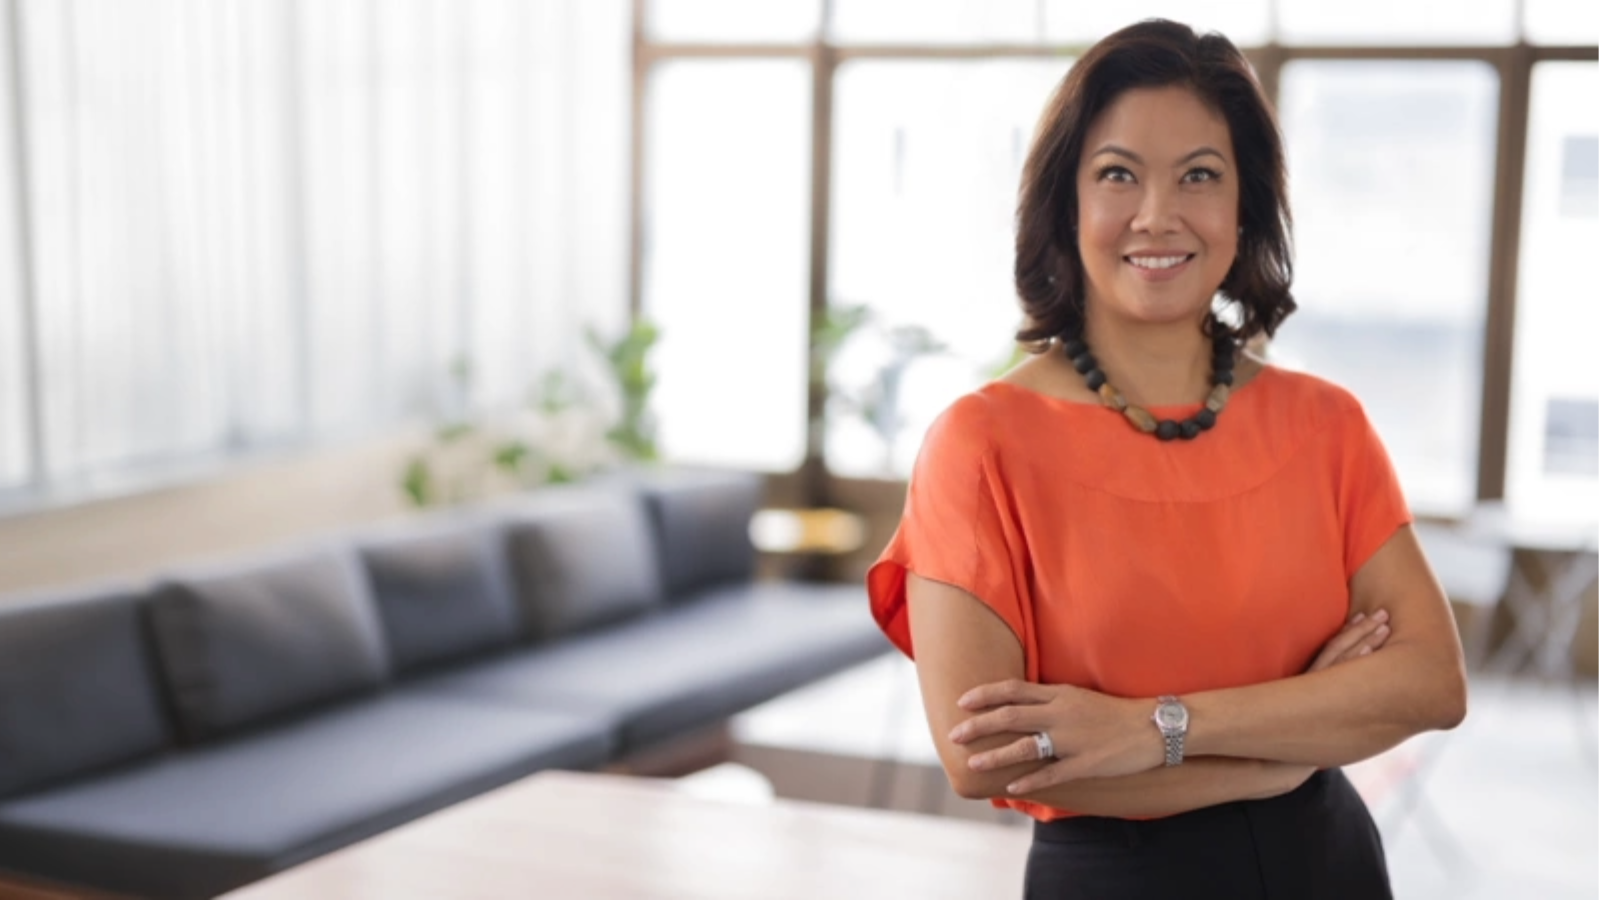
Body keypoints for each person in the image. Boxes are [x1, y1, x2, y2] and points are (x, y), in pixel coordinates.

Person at [865, 19, 1468, 900]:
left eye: (1200, 176)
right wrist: (1283, 754)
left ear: (1243, 206)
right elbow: (986, 759)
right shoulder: (980, 445)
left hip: (1328, 865)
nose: (1158, 215)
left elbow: (1431, 684)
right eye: (1117, 174)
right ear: (1066, 205)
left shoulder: (1326, 426)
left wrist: (1154, 729)